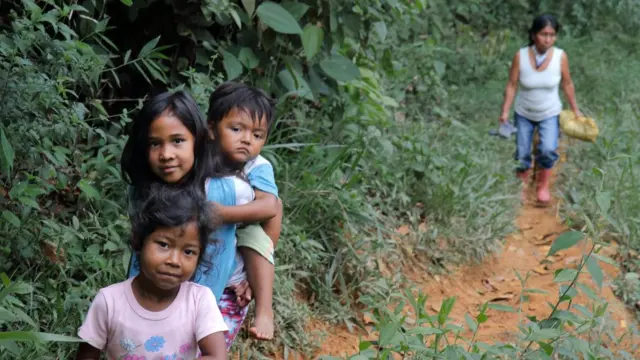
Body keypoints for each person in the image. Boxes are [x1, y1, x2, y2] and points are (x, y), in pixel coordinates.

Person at [120, 90, 251, 349]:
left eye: (177, 141)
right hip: (153, 301)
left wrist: (253, 278)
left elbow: (269, 212)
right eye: (154, 143)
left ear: (198, 141)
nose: (166, 153)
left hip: (215, 302)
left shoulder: (228, 190)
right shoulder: (142, 191)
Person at [75, 184, 228, 360]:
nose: (174, 261)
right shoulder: (109, 302)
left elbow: (217, 356)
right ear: (139, 240)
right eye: (164, 244)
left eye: (188, 251)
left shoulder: (198, 300)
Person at [207, 82, 283, 340]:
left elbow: (270, 206)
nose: (247, 139)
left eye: (258, 135)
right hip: (204, 246)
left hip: (243, 232)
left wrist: (224, 215)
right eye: (237, 129)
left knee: (256, 238)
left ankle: (264, 310)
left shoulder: (257, 166)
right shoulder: (199, 157)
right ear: (211, 128)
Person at [499, 14, 582, 205]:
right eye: (544, 34)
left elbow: (567, 84)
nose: (548, 39)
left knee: (547, 149)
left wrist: (575, 110)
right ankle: (522, 186)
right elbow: (511, 85)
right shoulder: (520, 56)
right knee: (522, 152)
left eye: (552, 35)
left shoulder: (560, 57)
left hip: (550, 112)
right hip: (524, 112)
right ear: (534, 35)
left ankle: (542, 186)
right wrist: (504, 112)